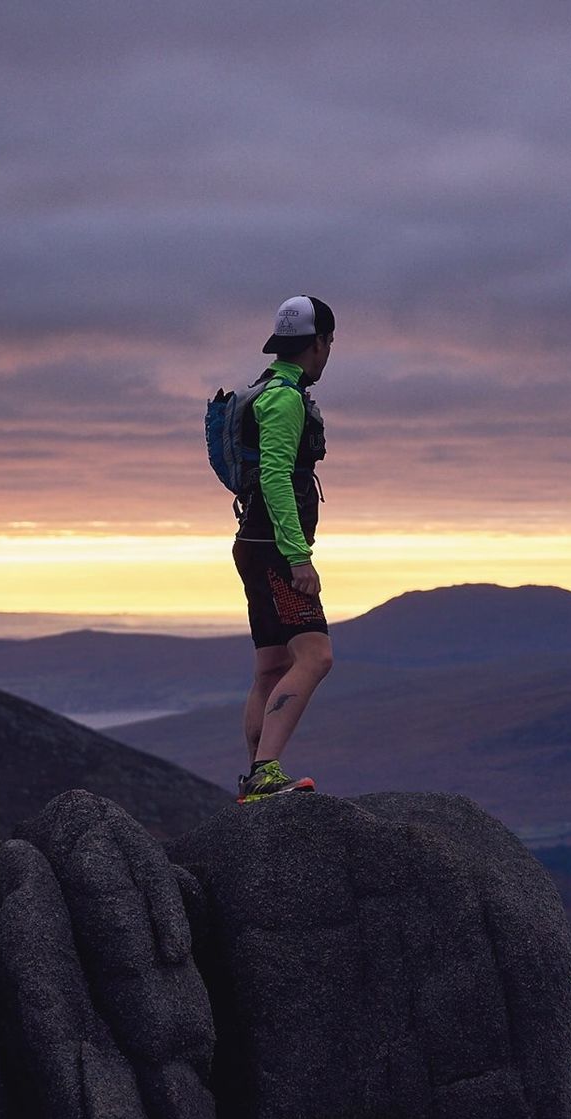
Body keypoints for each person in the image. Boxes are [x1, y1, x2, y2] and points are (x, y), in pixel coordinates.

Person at [233, 295, 335, 801]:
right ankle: (266, 772)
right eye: (328, 343)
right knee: (315, 655)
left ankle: (255, 776)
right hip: (274, 547)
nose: (328, 353)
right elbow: (275, 476)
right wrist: (299, 556)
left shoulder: (262, 391)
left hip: (251, 542)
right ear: (317, 343)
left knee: (272, 666)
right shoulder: (286, 398)